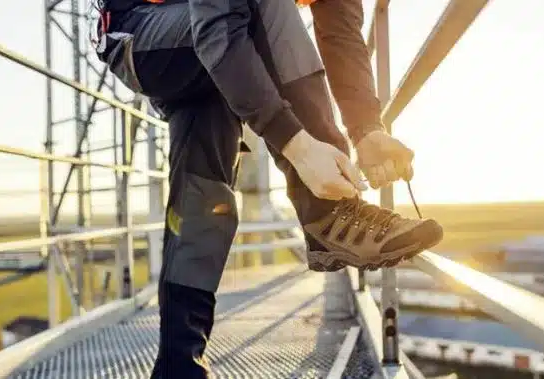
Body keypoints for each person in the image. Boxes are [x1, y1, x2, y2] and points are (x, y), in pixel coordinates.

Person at [94, 0, 443, 377]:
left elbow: (339, 30)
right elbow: (219, 24)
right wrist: (300, 147)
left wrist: (367, 129)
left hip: (211, 33)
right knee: (265, 8)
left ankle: (179, 364)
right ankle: (328, 216)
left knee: (205, 197)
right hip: (139, 34)